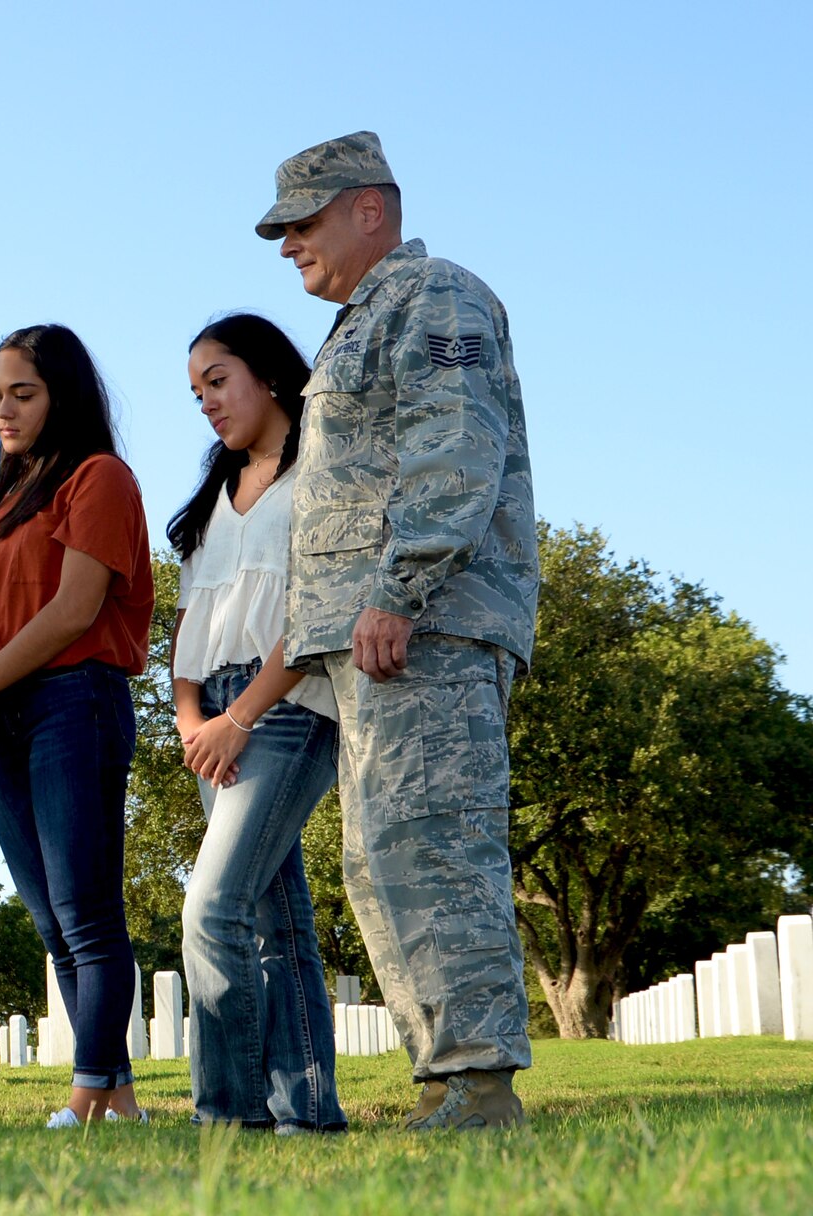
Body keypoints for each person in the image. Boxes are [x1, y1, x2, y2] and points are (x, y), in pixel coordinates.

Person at [256, 131, 538, 1130]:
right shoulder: (359, 320)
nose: (287, 243)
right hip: (380, 637)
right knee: (382, 859)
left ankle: (477, 1081)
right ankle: (447, 1079)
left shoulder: (434, 297)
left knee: (435, 847)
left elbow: (452, 444)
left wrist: (398, 589)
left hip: (426, 625)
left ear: (368, 209)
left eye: (303, 221)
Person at [0, 324, 154, 1127]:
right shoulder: (1, 500)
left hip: (75, 700)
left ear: (62, 395)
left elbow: (74, 609)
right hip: (0, 715)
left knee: (88, 913)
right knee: (50, 922)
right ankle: (121, 1102)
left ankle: (85, 1098)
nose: (4, 409)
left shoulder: (98, 477)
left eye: (22, 393)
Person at [170, 313, 346, 1134]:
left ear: (269, 375)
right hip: (214, 718)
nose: (207, 401)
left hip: (288, 709)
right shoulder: (215, 491)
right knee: (277, 922)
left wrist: (239, 717)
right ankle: (306, 1110)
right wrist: (190, 719)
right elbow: (188, 624)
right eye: (197, 389)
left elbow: (317, 617)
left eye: (218, 379)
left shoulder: (320, 473)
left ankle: (227, 1118)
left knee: (211, 908)